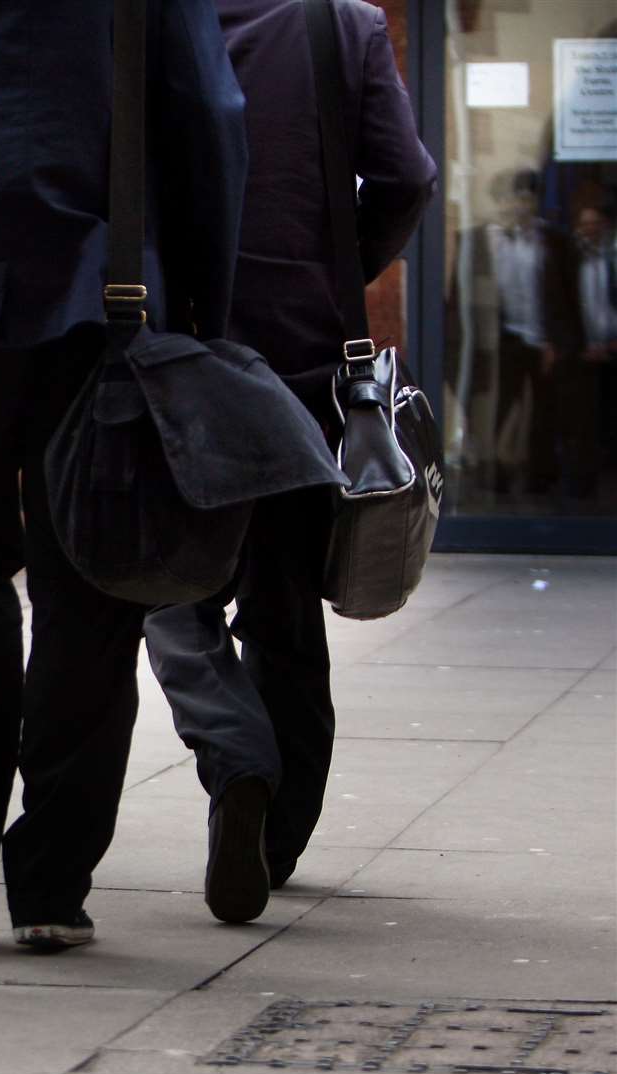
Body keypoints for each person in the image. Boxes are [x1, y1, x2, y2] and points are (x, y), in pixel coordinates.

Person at [0, 0, 247, 947]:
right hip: (112, 304)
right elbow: (211, 123)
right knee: (92, 588)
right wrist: (207, 315)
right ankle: (54, 881)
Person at [143, 0, 436, 922]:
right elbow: (401, 177)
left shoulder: (139, 22)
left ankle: (236, 759)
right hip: (305, 356)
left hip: (178, 357)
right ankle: (276, 834)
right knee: (281, 614)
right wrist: (334, 274)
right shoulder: (338, 25)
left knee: (164, 587)